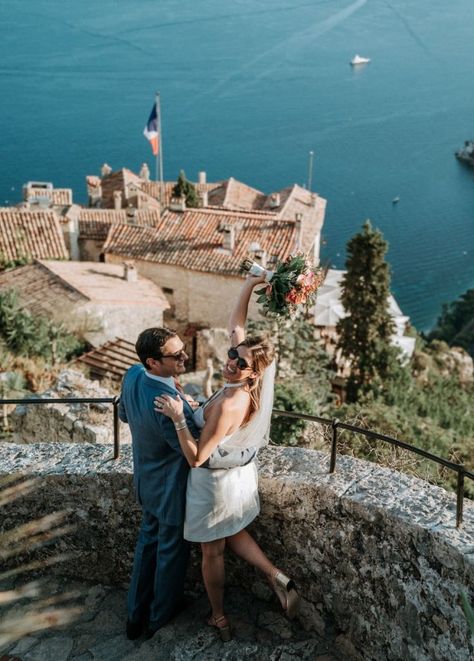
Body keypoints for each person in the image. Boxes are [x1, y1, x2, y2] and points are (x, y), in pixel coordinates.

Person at [155, 276, 298, 641]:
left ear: (254, 373)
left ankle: (218, 617)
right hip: (235, 480)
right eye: (233, 354)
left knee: (212, 554)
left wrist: (177, 417)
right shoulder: (242, 386)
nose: (231, 362)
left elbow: (197, 458)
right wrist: (251, 284)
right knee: (233, 532)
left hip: (213, 486)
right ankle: (276, 575)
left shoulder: (232, 403)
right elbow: (237, 324)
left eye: (241, 362)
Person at [119, 327, 200, 640]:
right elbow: (194, 451)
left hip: (145, 481)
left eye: (182, 349)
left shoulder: (132, 374)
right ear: (152, 362)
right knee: (170, 554)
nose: (184, 356)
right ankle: (158, 618)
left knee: (146, 548)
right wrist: (187, 412)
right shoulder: (167, 405)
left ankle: (133, 616)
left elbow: (125, 415)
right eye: (175, 355)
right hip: (170, 490)